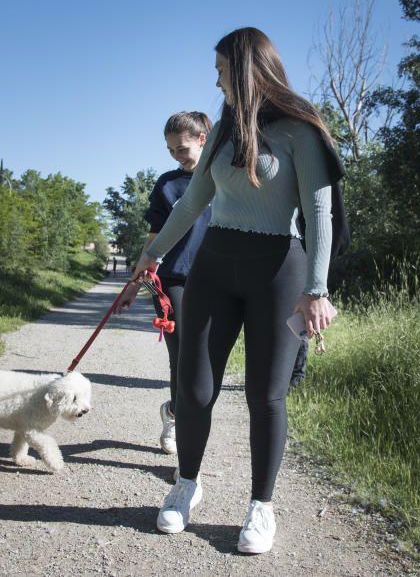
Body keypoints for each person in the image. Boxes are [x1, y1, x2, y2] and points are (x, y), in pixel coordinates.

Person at [130, 27, 338, 554]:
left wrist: (317, 288)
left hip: (278, 269)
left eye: (221, 68)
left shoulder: (299, 129)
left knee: (264, 395)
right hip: (214, 267)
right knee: (195, 387)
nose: (216, 77)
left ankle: (260, 508)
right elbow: (191, 203)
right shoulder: (222, 129)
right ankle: (186, 485)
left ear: (244, 69)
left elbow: (319, 211)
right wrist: (151, 255)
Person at [117, 111, 213, 456]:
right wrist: (132, 284)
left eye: (182, 148)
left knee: (208, 359)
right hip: (172, 280)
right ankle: (184, 434)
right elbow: (154, 239)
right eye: (171, 150)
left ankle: (174, 409)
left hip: (218, 279)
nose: (177, 156)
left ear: (203, 140)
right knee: (184, 354)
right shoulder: (167, 185)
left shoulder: (224, 179)